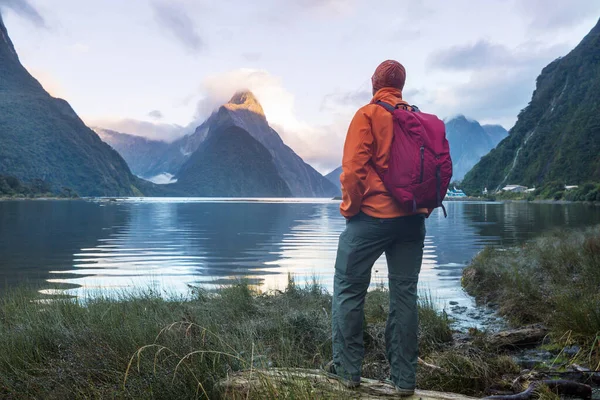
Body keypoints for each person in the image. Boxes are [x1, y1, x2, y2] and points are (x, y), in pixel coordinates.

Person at [325, 60, 428, 396]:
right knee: (404, 296)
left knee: (348, 289)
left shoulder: (367, 115)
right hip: (413, 221)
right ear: (401, 85)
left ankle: (348, 371)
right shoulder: (417, 118)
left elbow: (353, 171)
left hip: (371, 218)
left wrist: (349, 209)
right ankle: (404, 381)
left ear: (374, 82)